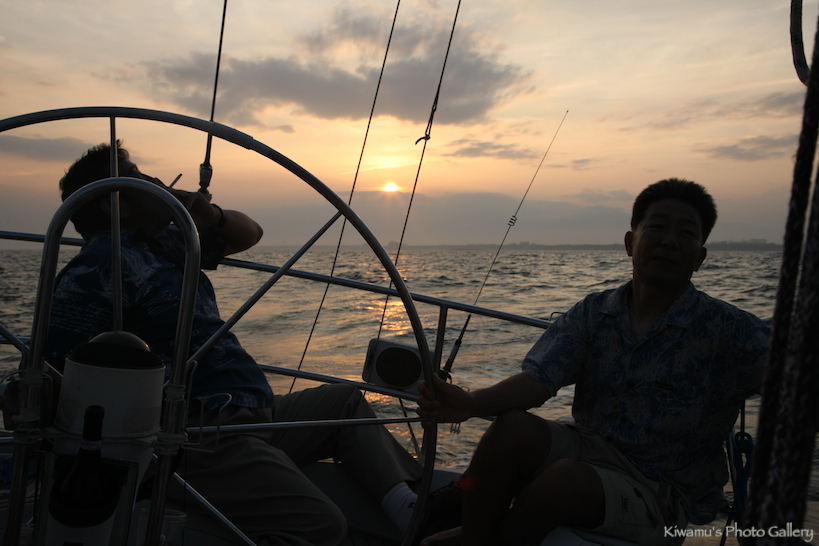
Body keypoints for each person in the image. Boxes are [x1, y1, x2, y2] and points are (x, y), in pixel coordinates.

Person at [46, 142, 424, 546]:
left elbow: (250, 233)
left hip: (248, 411)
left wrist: (211, 215)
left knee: (345, 404)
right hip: (198, 434)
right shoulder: (97, 270)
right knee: (320, 526)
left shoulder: (165, 243)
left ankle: (415, 516)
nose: (156, 180)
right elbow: (53, 370)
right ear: (114, 205)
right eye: (138, 175)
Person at [416, 178, 770, 546]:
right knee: (511, 429)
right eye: (657, 227)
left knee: (564, 482)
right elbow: (538, 380)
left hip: (663, 491)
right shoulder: (595, 312)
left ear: (699, 258)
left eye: (686, 233)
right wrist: (471, 404)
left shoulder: (730, 330)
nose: (670, 241)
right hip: (589, 448)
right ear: (630, 243)